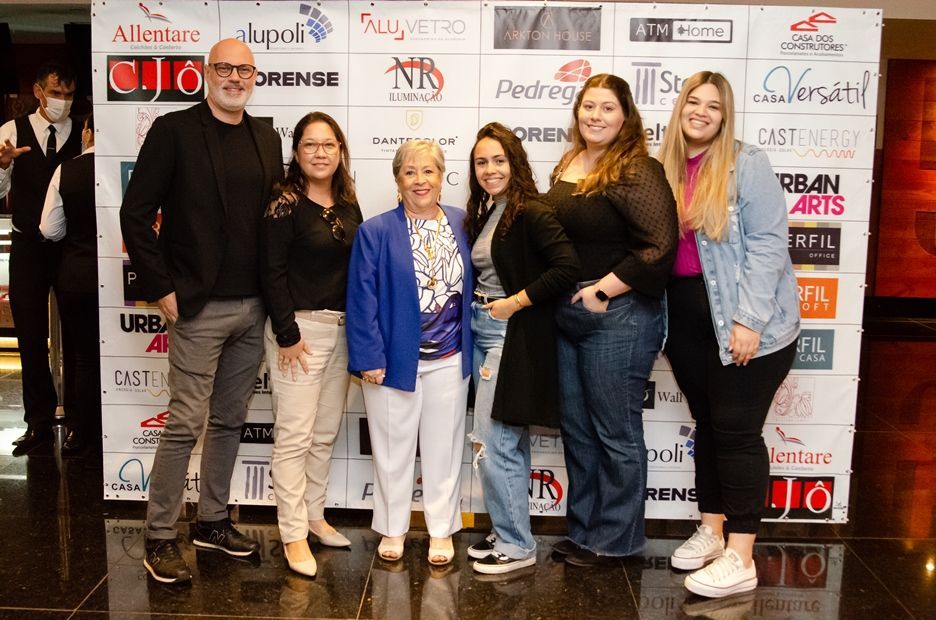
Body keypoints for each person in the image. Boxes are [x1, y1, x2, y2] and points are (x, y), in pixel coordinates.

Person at [120, 38, 283, 584]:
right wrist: (160, 285)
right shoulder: (174, 130)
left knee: (231, 418)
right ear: (205, 73)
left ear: (255, 76)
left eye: (245, 69)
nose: (235, 77)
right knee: (185, 421)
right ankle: (160, 535)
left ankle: (211, 521)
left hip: (253, 305)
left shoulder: (267, 136)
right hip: (197, 305)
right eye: (225, 68)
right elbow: (136, 213)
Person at [657, 71, 800, 598]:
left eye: (713, 106)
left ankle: (742, 555)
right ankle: (713, 529)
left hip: (745, 322)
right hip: (687, 322)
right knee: (710, 426)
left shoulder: (747, 163)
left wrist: (749, 321)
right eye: (692, 101)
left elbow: (768, 245)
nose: (701, 111)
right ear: (680, 109)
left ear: (725, 115)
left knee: (737, 431)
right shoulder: (663, 167)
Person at [544, 73, 678, 566]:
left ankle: (617, 539)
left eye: (607, 108)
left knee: (615, 432)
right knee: (578, 430)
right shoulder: (572, 161)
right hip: (569, 315)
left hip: (618, 315)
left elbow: (660, 247)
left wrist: (601, 290)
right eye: (588, 106)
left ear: (626, 117)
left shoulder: (636, 169)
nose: (595, 116)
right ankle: (583, 530)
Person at [346, 140, 473, 567]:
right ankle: (393, 528)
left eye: (429, 171)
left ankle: (441, 531)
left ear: (442, 176)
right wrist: (368, 357)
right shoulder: (376, 231)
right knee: (391, 450)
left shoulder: (463, 223)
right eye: (410, 172)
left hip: (451, 357)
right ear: (397, 180)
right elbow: (361, 299)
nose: (420, 180)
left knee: (444, 449)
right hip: (394, 360)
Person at [463, 122, 578, 574]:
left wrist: (515, 303)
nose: (490, 169)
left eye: (498, 160)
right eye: (481, 162)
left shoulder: (531, 210)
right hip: (481, 328)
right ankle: (510, 529)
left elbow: (566, 267)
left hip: (507, 334)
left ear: (515, 162)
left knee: (493, 442)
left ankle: (515, 546)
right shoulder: (491, 209)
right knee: (507, 439)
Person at [260, 112, 362, 577]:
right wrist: (287, 332)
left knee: (323, 434)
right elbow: (271, 271)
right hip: (298, 334)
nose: (320, 153)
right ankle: (293, 534)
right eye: (310, 145)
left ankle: (315, 516)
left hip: (340, 331)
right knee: (294, 438)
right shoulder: (284, 202)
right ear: (296, 152)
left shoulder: (347, 203)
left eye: (329, 145)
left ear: (340, 151)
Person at [0, 61, 81, 456]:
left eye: (68, 95)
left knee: (80, 338)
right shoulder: (11, 133)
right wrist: (3, 165)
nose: (62, 102)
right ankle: (38, 422)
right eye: (56, 93)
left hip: (71, 250)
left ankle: (81, 423)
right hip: (28, 248)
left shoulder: (84, 134)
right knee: (30, 337)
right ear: (38, 92)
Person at [38, 113, 100, 458]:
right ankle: (111, 431)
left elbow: (49, 229)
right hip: (123, 277)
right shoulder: (131, 168)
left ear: (87, 131)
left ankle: (81, 432)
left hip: (76, 276)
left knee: (83, 358)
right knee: (114, 358)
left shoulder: (67, 170)